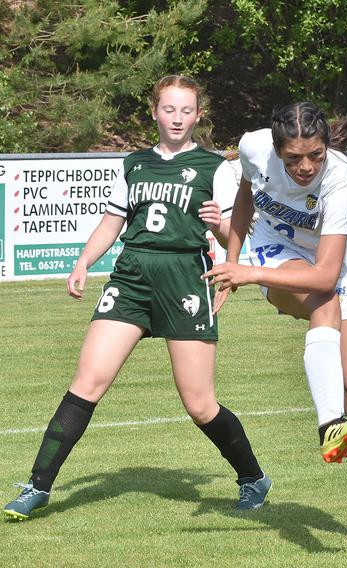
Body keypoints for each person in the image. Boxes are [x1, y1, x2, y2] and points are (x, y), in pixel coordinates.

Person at [3, 75, 271, 521]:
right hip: (131, 277)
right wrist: (83, 262)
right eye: (169, 109)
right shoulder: (135, 164)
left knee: (200, 404)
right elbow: (113, 222)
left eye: (186, 110)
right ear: (154, 111)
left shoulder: (214, 168)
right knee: (86, 383)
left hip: (186, 279)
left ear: (198, 115)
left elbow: (234, 232)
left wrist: (217, 225)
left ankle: (252, 478)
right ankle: (37, 487)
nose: (178, 118)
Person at [203, 102, 347, 551]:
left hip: (332, 269)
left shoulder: (341, 174)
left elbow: (325, 274)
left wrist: (247, 273)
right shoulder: (252, 147)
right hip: (274, 254)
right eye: (293, 159)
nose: (305, 167)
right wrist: (234, 263)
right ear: (275, 148)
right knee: (325, 305)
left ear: (326, 146)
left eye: (315, 156)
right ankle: (329, 426)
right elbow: (245, 196)